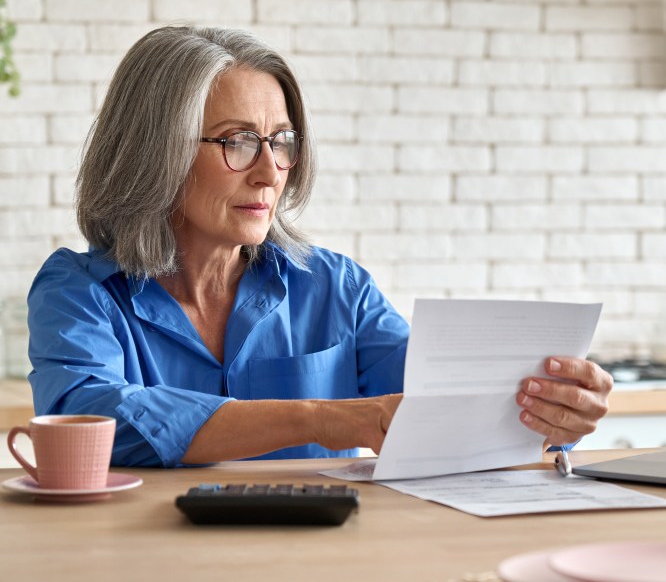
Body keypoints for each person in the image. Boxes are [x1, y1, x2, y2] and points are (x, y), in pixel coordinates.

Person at [26, 26, 613, 468]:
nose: (269, 172)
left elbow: (445, 402)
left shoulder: (338, 289)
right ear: (156, 153)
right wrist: (322, 417)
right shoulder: (79, 292)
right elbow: (91, 421)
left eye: (281, 141)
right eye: (238, 142)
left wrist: (556, 412)